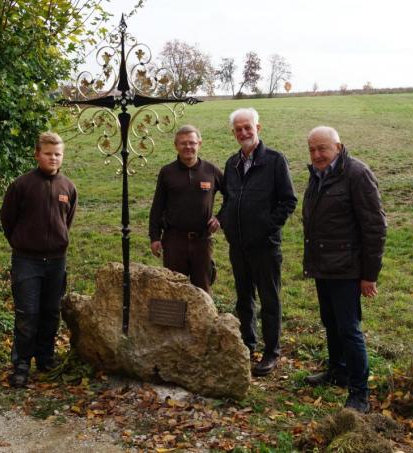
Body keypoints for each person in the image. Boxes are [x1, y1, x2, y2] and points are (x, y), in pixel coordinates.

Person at [301, 126, 387, 412]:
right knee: (331, 323)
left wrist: (369, 275)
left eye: (322, 148)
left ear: (338, 146)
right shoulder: (317, 175)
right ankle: (337, 371)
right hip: (323, 266)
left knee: (349, 330)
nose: (317, 154)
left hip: (347, 269)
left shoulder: (356, 174)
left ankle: (359, 393)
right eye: (312, 149)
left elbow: (374, 227)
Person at [217, 108, 297, 376]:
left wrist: (266, 228)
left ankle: (272, 351)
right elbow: (229, 199)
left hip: (265, 246)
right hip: (238, 245)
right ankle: (248, 344)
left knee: (269, 299)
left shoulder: (275, 161)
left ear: (258, 128)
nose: (243, 132)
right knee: (243, 299)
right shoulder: (232, 163)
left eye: (247, 127)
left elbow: (288, 201)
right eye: (238, 129)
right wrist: (224, 222)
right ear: (233, 133)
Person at [0, 131, 77, 388]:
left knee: (50, 312)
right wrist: (23, 243)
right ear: (37, 155)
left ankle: (45, 357)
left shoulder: (68, 187)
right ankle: (21, 364)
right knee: (27, 313)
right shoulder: (21, 185)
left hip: (56, 260)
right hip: (26, 260)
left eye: (57, 154)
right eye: (48, 153)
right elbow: (8, 220)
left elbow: (67, 221)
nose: (53, 158)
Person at [148, 125, 223, 292]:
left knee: (203, 289)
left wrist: (220, 217)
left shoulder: (211, 171)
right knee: (174, 290)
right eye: (183, 143)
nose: (188, 147)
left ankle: (203, 319)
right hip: (174, 240)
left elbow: (232, 196)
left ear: (199, 144)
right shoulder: (167, 172)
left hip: (202, 241)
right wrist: (154, 237)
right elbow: (157, 206)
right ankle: (174, 319)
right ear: (176, 145)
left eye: (192, 142)